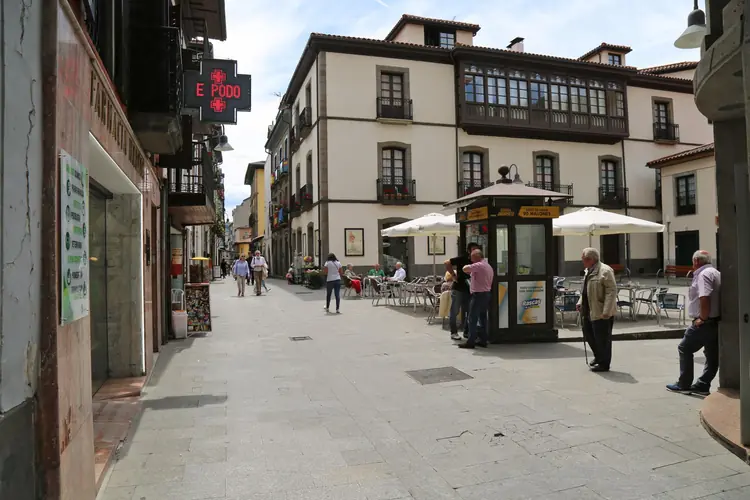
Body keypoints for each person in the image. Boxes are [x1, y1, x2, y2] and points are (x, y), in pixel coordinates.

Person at [667, 250, 721, 396]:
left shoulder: (703, 275)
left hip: (705, 322)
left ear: (696, 261)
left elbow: (704, 297)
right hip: (715, 321)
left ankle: (684, 384)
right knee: (712, 354)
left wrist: (702, 318)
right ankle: (703, 384)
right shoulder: (716, 272)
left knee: (684, 347)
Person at [576, 247, 617, 372]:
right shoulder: (588, 271)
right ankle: (598, 356)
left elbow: (611, 291)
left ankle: (604, 363)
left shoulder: (605, 271)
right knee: (589, 335)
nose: (582, 262)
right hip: (588, 309)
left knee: (602, 339)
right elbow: (585, 291)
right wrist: (580, 302)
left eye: (584, 259)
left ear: (591, 259)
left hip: (600, 310)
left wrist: (606, 311)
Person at [458, 249, 494, 349]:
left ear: (477, 256)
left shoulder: (479, 265)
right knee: (482, 318)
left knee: (472, 318)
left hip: (478, 295)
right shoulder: (487, 265)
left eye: (472, 257)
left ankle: (471, 341)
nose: (470, 259)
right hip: (486, 294)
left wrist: (468, 265)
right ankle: (483, 340)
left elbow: (465, 269)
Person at [445, 242, 481, 341]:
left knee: (469, 311)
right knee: (455, 311)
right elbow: (447, 262)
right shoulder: (463, 258)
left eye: (477, 249)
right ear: (468, 251)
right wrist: (453, 275)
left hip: (470, 289)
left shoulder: (477, 261)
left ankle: (466, 332)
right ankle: (454, 332)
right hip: (458, 288)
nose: (475, 252)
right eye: (473, 249)